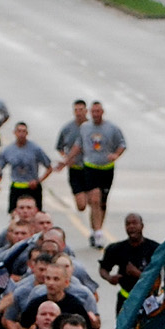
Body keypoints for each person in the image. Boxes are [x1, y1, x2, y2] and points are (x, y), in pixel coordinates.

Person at [98, 213, 159, 329]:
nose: (131, 227)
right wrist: (109, 278)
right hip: (126, 302)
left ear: (142, 225)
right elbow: (103, 268)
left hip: (148, 302)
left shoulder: (154, 249)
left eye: (135, 223)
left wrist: (138, 274)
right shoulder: (117, 249)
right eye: (128, 224)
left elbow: (157, 281)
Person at [60, 99, 126, 249]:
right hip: (90, 166)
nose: (96, 114)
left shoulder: (112, 128)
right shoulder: (85, 128)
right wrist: (66, 161)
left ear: (102, 112)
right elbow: (78, 145)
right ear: (90, 113)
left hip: (107, 169)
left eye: (98, 111)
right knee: (94, 198)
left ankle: (96, 228)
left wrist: (116, 155)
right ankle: (98, 234)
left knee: (102, 201)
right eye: (93, 112)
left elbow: (122, 144)